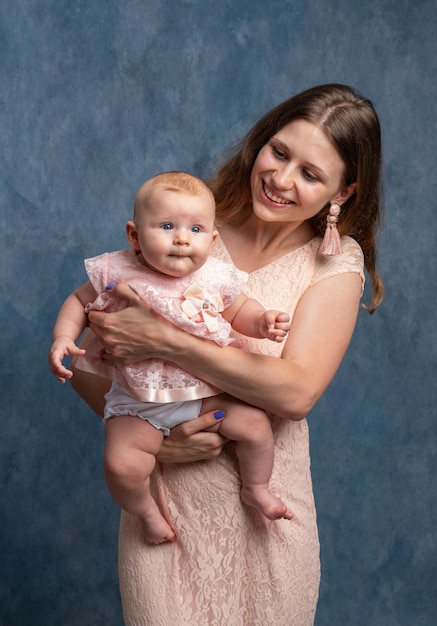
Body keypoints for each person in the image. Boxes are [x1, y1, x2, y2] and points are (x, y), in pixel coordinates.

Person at [70, 84, 384, 625]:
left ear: (344, 193)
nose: (282, 179)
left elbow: (296, 392)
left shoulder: (333, 265)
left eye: (311, 174)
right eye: (280, 153)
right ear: (262, 143)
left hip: (267, 529)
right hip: (165, 518)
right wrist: (155, 441)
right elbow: (89, 362)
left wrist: (165, 340)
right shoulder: (188, 228)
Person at [49, 171, 293, 544]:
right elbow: (80, 302)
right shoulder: (117, 271)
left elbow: (238, 308)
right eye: (166, 226)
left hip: (201, 393)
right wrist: (64, 338)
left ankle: (255, 486)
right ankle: (146, 511)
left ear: (212, 240)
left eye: (196, 230)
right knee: (122, 465)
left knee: (256, 427)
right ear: (134, 235)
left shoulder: (215, 276)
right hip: (136, 401)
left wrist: (261, 322)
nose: (182, 238)